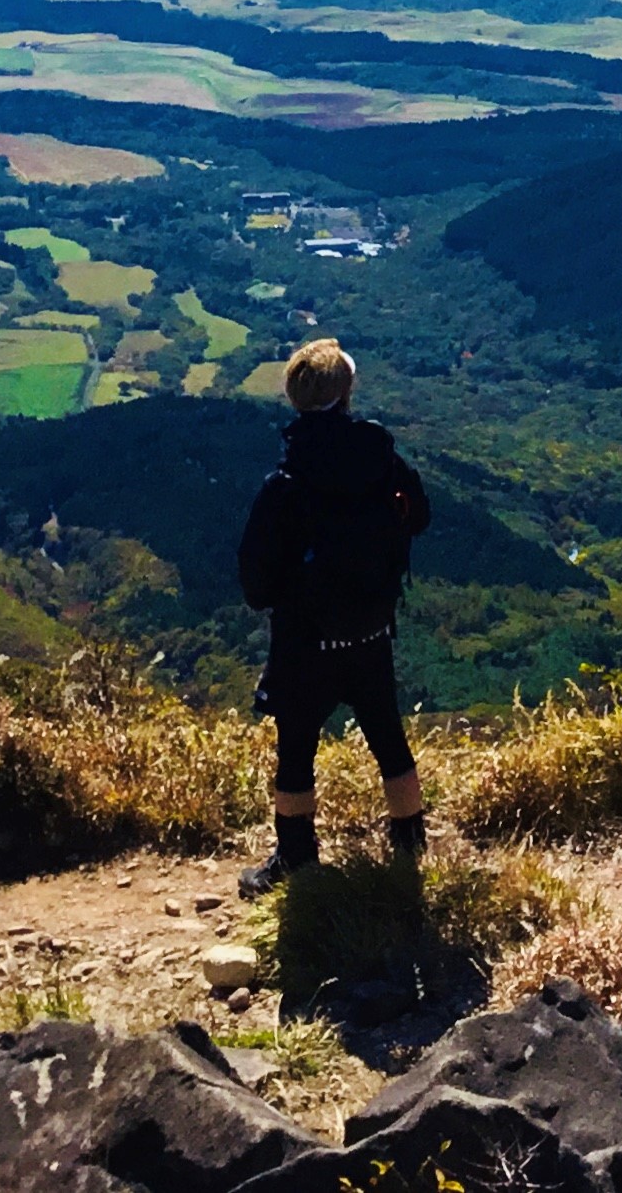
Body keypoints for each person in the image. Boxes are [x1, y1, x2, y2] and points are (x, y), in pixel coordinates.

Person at [233, 336, 431, 896]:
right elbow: (419, 517)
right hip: (372, 626)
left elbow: (256, 574)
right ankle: (411, 845)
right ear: (346, 394)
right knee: (388, 737)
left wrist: (285, 599)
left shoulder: (285, 484)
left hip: (304, 638)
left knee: (296, 745)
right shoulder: (383, 461)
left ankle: (295, 858)